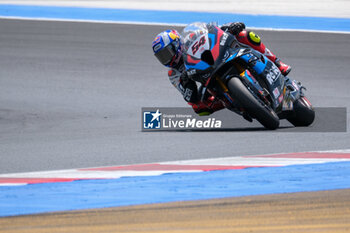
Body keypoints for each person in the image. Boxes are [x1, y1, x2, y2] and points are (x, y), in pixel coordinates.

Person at [152, 22, 292, 116]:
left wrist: (229, 27)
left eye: (167, 53)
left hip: (217, 58)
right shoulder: (173, 73)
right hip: (206, 80)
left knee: (245, 35)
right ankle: (234, 100)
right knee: (200, 109)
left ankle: (277, 62)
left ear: (177, 44)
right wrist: (186, 82)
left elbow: (212, 32)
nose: (167, 59)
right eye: (162, 57)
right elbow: (189, 97)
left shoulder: (191, 37)